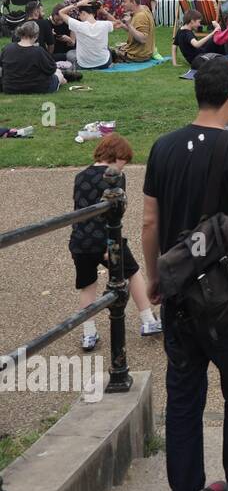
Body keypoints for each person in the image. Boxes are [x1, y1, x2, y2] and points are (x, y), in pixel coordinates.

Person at [141, 57, 228, 491]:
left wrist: (157, 276)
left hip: (180, 292)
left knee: (183, 395)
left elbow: (149, 222)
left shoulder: (162, 147)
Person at [70, 134, 160, 350]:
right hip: (107, 240)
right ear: (116, 156)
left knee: (87, 286)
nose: (124, 166)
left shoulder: (80, 176)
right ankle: (148, 320)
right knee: (133, 272)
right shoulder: (116, 177)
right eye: (124, 161)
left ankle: (89, 334)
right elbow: (117, 212)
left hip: (80, 241)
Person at [1, 20, 62, 93]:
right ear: (36, 35)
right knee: (58, 73)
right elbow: (51, 69)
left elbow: (2, 67)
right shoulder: (38, 51)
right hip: (37, 88)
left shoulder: (7, 48)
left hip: (10, 88)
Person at [60, 2, 113, 71]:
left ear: (83, 13)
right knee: (107, 47)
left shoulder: (78, 25)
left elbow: (61, 12)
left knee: (70, 53)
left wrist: (78, 3)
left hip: (84, 65)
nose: (79, 17)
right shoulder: (105, 24)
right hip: (104, 63)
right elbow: (119, 23)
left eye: (79, 14)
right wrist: (104, 12)